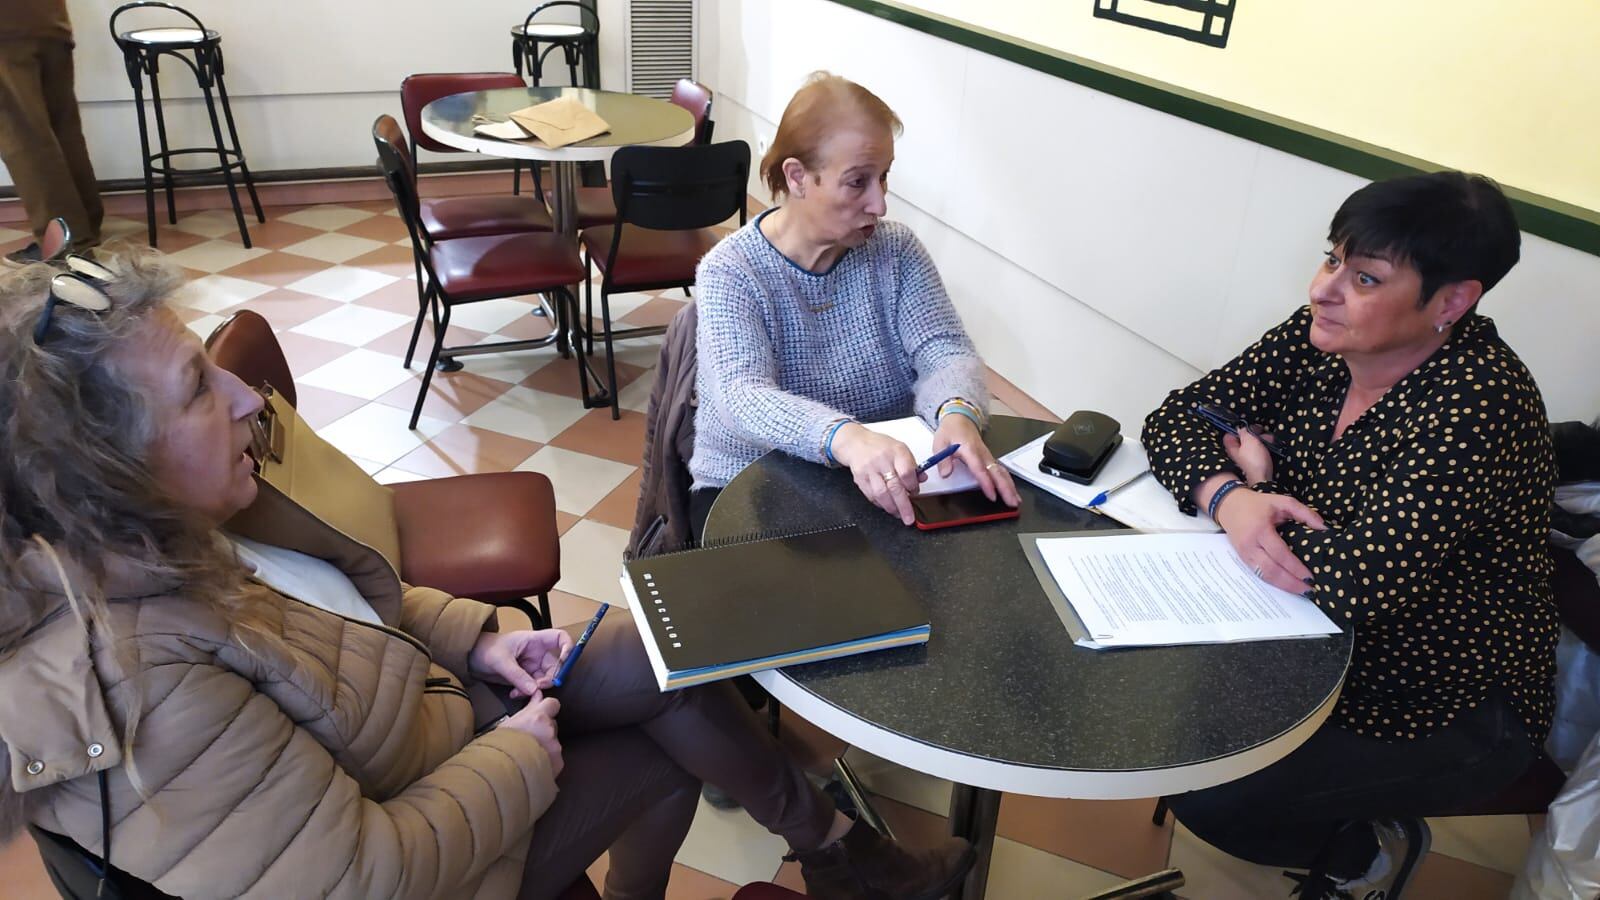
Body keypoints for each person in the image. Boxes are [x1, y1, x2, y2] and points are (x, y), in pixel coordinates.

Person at [0, 247, 975, 900]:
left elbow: (344, 616)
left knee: (666, 656)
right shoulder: (139, 685)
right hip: (419, 849)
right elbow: (366, 878)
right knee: (668, 743)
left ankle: (835, 851)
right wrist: (520, 753)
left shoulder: (163, 535)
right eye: (193, 391)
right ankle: (832, 855)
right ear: (101, 473)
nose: (246, 395)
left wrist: (477, 642)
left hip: (413, 723)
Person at [1141, 171, 1558, 900]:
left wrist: (1261, 493)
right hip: (1304, 631)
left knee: (1209, 793)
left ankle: (1364, 849)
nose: (1322, 290)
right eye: (1331, 259)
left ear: (1452, 302)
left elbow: (1360, 582)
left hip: (1441, 693)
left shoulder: (1479, 401)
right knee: (1159, 716)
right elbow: (1176, 418)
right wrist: (1230, 496)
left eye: (1364, 277)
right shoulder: (1324, 338)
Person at [689, 71, 1019, 536]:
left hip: (880, 478)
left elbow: (944, 350)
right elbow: (742, 397)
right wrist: (845, 437)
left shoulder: (897, 251)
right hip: (749, 484)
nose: (879, 204)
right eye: (857, 182)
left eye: (883, 177)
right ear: (798, 177)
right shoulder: (732, 270)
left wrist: (956, 411)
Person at [0, 0, 102, 264]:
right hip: (51, 21)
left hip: (5, 28)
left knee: (23, 137)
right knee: (64, 129)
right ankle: (85, 225)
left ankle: (66, 244)